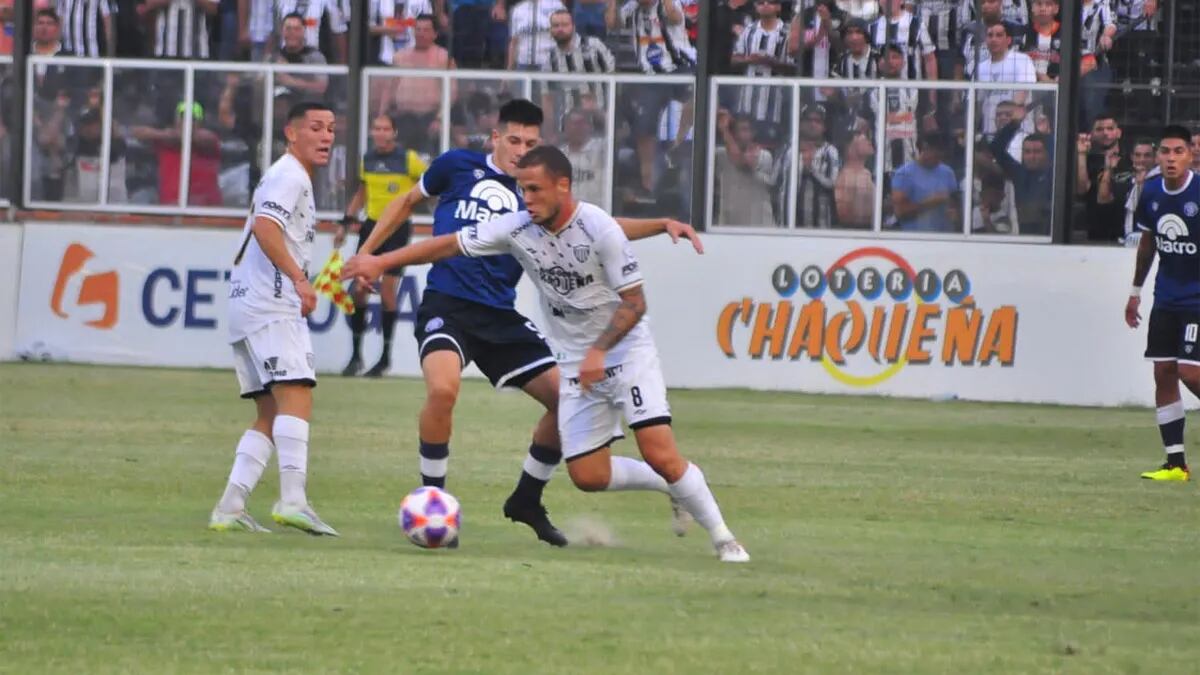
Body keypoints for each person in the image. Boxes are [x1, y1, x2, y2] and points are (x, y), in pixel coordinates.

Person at [345, 146, 750, 563]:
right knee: (588, 477)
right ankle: (672, 483)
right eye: (522, 189)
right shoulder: (518, 227)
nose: (527, 198)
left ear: (563, 186)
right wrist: (381, 261)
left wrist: (600, 351)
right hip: (578, 361)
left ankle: (725, 539)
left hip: (625, 351)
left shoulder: (598, 227)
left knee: (658, 450)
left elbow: (635, 302)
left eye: (534, 189)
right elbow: (448, 245)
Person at [208, 101, 340, 536]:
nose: (325, 136)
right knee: (297, 394)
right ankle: (293, 499)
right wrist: (300, 280)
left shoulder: (286, 173)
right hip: (271, 304)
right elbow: (266, 227)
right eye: (316, 128)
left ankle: (230, 505)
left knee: (269, 412)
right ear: (291, 133)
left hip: (247, 303)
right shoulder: (290, 174)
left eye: (331, 129)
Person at [1124, 125, 1200, 482]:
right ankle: (1175, 464)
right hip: (1165, 299)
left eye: (1178, 152)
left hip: (1197, 301)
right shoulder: (1151, 192)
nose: (1171, 158)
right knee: (1163, 373)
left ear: (1190, 156)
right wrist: (1135, 291)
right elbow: (1147, 245)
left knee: (1189, 371)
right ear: (1158, 156)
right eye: (1165, 152)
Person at [336, 114, 427, 378]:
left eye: (386, 128)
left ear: (394, 133)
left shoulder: (408, 159)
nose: (380, 133)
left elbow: (430, 183)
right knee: (358, 291)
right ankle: (356, 356)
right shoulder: (369, 159)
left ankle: (385, 358)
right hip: (371, 228)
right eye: (376, 128)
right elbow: (362, 193)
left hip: (397, 230)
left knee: (388, 292)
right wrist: (345, 223)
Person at [891, 132, 960, 232]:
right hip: (915, 238)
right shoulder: (904, 174)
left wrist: (955, 214)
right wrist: (928, 203)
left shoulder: (948, 173)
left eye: (940, 157)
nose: (937, 161)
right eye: (935, 155)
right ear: (924, 149)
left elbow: (955, 205)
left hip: (944, 237)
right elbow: (900, 212)